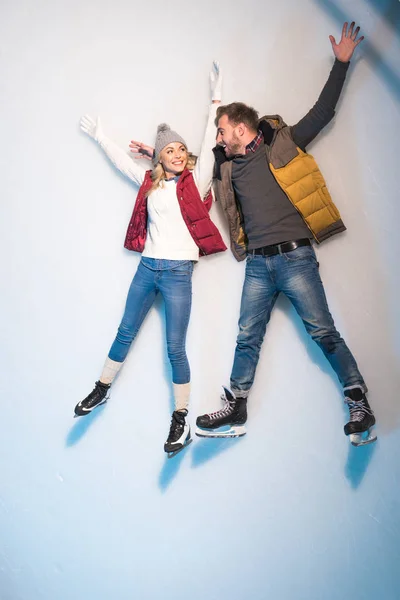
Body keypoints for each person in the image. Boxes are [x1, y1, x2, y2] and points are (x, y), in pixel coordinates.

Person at [193, 23, 376, 446]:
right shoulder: (226, 165)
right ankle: (235, 406)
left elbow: (322, 112)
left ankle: (358, 401)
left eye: (222, 130)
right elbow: (200, 165)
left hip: (295, 258)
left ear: (241, 128)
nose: (219, 137)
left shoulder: (285, 142)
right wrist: (164, 161)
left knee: (323, 331)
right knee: (246, 337)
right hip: (257, 264)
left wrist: (341, 63)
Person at [74, 62, 226, 458]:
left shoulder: (199, 181)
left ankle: (180, 421)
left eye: (180, 149)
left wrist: (216, 96)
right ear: (160, 158)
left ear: (186, 156)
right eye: (169, 151)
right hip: (148, 269)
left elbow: (211, 137)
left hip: (178, 273)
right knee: (125, 332)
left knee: (175, 348)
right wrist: (102, 137)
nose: (176, 154)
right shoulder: (151, 184)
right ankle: (101, 389)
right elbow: (123, 162)